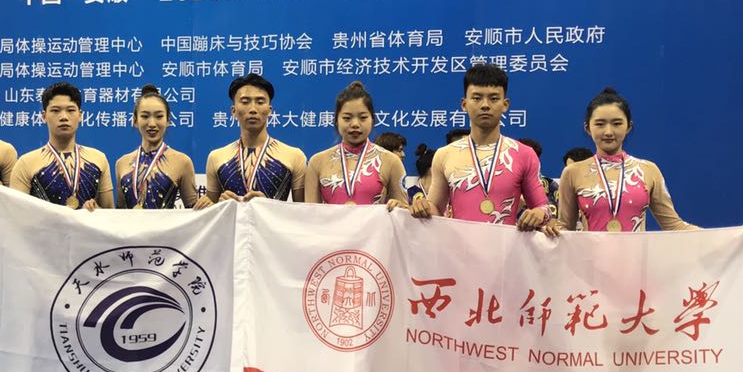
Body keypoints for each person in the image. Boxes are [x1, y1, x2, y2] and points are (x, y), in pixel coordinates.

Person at [425, 64, 555, 234]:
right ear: (464, 104)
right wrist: (422, 208)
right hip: (458, 249)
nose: (485, 105)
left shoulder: (524, 154)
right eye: (477, 98)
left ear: (505, 104)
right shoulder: (445, 155)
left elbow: (543, 207)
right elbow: (435, 208)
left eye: (493, 98)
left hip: (507, 249)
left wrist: (539, 213)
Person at [556, 87, 697, 232]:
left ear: (629, 126)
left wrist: (711, 237)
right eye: (600, 124)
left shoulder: (648, 170)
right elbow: (565, 227)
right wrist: (549, 231)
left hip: (638, 248)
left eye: (617, 123)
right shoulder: (572, 172)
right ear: (587, 127)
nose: (608, 132)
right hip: (589, 248)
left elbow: (673, 225)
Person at [305, 81, 425, 214]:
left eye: (362, 117)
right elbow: (310, 217)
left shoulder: (391, 161)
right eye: (347, 118)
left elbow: (403, 216)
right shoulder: (317, 162)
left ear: (372, 120)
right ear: (336, 120)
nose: (355, 124)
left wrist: (400, 207)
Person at [9, 82, 114, 210]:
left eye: (70, 110)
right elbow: (16, 215)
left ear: (80, 115)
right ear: (44, 116)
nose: (64, 117)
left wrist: (96, 210)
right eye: (55, 111)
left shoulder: (99, 158)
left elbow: (110, 214)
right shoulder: (26, 163)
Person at [204, 73, 306, 202]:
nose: (253, 109)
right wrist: (218, 204)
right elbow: (210, 210)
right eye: (245, 102)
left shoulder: (295, 156)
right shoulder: (216, 157)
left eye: (260, 102)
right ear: (233, 111)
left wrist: (268, 206)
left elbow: (302, 211)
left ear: (270, 110)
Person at [115, 85, 211, 210]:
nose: (152, 124)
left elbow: (194, 212)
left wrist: (208, 206)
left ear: (168, 120)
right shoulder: (122, 163)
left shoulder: (182, 162)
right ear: (135, 120)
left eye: (159, 116)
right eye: (145, 116)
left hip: (167, 224)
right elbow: (119, 213)